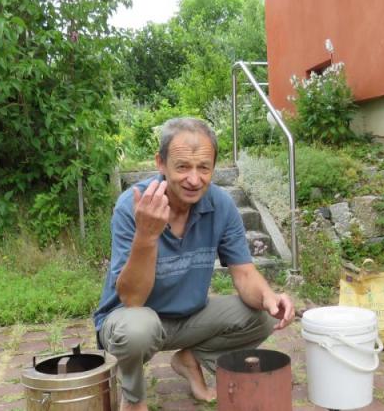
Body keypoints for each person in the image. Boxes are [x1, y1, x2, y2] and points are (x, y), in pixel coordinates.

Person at [93, 117, 295, 411]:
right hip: (129, 318)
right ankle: (134, 397)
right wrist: (146, 236)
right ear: (161, 164)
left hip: (187, 316)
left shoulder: (221, 205)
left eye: (204, 168)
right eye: (183, 167)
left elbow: (245, 273)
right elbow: (131, 298)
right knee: (138, 329)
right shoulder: (132, 205)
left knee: (264, 315)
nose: (194, 179)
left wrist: (268, 296)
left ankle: (191, 360)